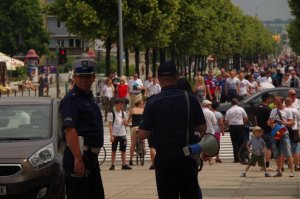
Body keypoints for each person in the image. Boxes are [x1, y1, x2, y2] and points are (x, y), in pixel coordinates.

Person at [139, 62, 207, 199]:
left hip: (165, 158)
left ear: (158, 78)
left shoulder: (153, 102)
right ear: (176, 77)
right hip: (187, 155)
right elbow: (202, 128)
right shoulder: (190, 98)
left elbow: (143, 134)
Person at [60, 59, 105, 199]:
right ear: (75, 78)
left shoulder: (89, 98)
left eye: (87, 77)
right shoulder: (71, 99)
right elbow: (69, 129)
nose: (84, 80)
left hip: (91, 157)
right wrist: (78, 158)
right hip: (79, 155)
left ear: (93, 78)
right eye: (81, 77)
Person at [267, 96, 294, 177]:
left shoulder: (287, 111)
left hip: (283, 131)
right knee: (277, 153)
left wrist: (284, 123)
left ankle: (291, 171)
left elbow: (291, 122)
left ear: (282, 102)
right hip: (276, 132)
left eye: (278, 101)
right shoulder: (273, 110)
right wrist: (271, 122)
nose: (276, 103)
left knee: (288, 152)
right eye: (275, 101)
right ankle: (279, 171)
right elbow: (269, 121)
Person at [108, 98, 132, 170]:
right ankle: (112, 164)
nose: (121, 106)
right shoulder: (111, 113)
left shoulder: (123, 113)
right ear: (116, 104)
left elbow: (126, 123)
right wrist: (111, 135)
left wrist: (127, 122)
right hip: (115, 134)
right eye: (120, 104)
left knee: (123, 150)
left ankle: (124, 164)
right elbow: (110, 125)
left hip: (123, 134)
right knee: (113, 150)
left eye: (122, 104)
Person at [225, 98, 248, 163]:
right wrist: (243, 123)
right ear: (237, 102)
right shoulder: (241, 109)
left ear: (231, 103)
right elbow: (246, 118)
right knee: (242, 142)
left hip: (232, 127)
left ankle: (236, 159)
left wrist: (228, 126)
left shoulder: (229, 110)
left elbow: (226, 121)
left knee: (234, 142)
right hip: (240, 126)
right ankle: (243, 157)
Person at [254, 92, 273, 170]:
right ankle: (267, 165)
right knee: (268, 148)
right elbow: (270, 121)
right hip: (267, 131)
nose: (271, 99)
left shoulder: (258, 107)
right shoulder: (268, 108)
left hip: (259, 131)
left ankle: (262, 165)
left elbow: (255, 119)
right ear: (266, 98)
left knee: (262, 148)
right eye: (269, 97)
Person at [127, 97, 144, 166]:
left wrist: (127, 123)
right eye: (142, 103)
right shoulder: (143, 110)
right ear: (139, 104)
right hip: (141, 128)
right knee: (143, 141)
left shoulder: (132, 110)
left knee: (133, 144)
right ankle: (143, 150)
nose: (143, 105)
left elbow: (128, 120)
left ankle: (130, 160)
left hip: (134, 127)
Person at [284, 97, 300, 171]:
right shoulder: (295, 110)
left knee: (287, 149)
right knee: (296, 149)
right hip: (294, 130)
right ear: (291, 102)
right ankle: (297, 165)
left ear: (285, 102)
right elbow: (298, 119)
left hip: (285, 130)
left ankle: (289, 165)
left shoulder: (284, 110)